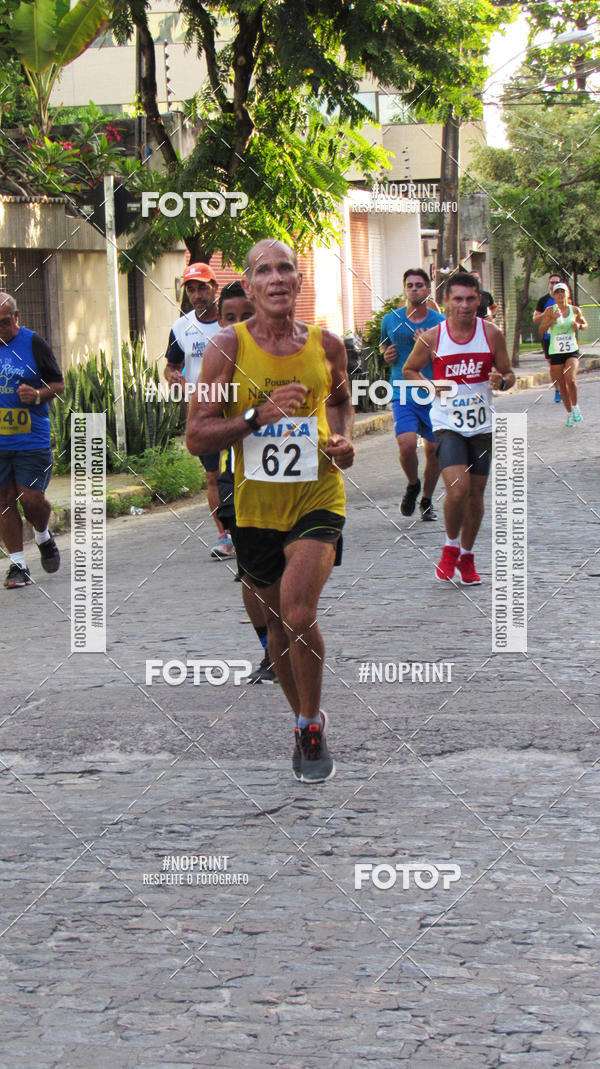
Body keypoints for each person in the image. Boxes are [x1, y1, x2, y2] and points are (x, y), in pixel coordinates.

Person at [186, 239, 354, 782]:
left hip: (317, 494)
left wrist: (345, 439)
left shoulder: (328, 345)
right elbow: (196, 435)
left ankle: (309, 724)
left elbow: (343, 401)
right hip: (256, 506)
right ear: (251, 286)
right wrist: (258, 415)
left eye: (287, 269)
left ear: (299, 283)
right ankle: (303, 716)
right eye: (265, 271)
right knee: (279, 626)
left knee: (299, 610)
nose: (278, 278)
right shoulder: (225, 349)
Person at [404, 271, 515, 585]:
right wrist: (429, 385)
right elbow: (410, 369)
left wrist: (502, 381)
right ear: (448, 302)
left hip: (481, 425)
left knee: (476, 496)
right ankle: (450, 547)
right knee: (457, 489)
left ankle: (467, 556)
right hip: (447, 423)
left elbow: (508, 374)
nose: (464, 305)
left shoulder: (491, 334)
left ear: (478, 300)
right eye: (458, 299)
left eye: (470, 299)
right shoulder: (434, 337)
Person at [214, 281, 277, 684]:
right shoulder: (216, 361)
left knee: (290, 571)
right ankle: (271, 650)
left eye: (246, 316)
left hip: (292, 479)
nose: (238, 325)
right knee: (253, 574)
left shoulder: (287, 352)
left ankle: (292, 637)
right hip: (238, 475)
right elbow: (201, 425)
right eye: (229, 318)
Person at [164, 262, 234, 559]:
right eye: (191, 289)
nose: (197, 295)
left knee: (240, 471)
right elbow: (170, 366)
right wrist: (172, 377)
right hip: (202, 411)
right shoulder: (181, 327)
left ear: (214, 287)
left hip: (235, 405)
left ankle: (254, 526)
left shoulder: (232, 322)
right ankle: (226, 536)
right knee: (212, 477)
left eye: (202, 287)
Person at [0, 293, 64, 588]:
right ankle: (17, 565)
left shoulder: (33, 343)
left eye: (3, 323)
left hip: (31, 440)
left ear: (16, 317)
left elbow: (59, 383)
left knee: (31, 499)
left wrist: (37, 394)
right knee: (3, 502)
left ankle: (42, 536)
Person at [380, 268, 444, 520]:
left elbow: (446, 358)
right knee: (406, 444)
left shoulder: (439, 322)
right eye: (410, 285)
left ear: (427, 290)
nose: (415, 289)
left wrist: (428, 347)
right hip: (402, 388)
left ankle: (427, 499)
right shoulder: (391, 319)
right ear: (404, 288)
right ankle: (413, 484)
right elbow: (384, 343)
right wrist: (386, 354)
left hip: (433, 390)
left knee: (434, 450)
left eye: (419, 285)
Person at [538, 282, 587, 427]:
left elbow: (584, 324)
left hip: (571, 350)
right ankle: (569, 413)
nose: (560, 294)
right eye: (557, 292)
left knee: (570, 379)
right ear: (553, 295)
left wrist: (579, 326)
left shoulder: (575, 310)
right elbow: (541, 330)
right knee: (562, 385)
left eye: (562, 291)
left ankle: (576, 406)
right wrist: (551, 320)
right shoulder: (549, 310)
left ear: (568, 294)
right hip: (556, 352)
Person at [533, 272, 564, 402]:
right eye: (552, 282)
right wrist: (546, 314)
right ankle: (557, 390)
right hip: (548, 337)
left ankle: (565, 386)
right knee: (553, 365)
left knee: (563, 364)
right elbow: (535, 319)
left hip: (563, 337)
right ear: (549, 284)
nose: (554, 285)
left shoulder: (565, 298)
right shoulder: (543, 300)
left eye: (557, 282)